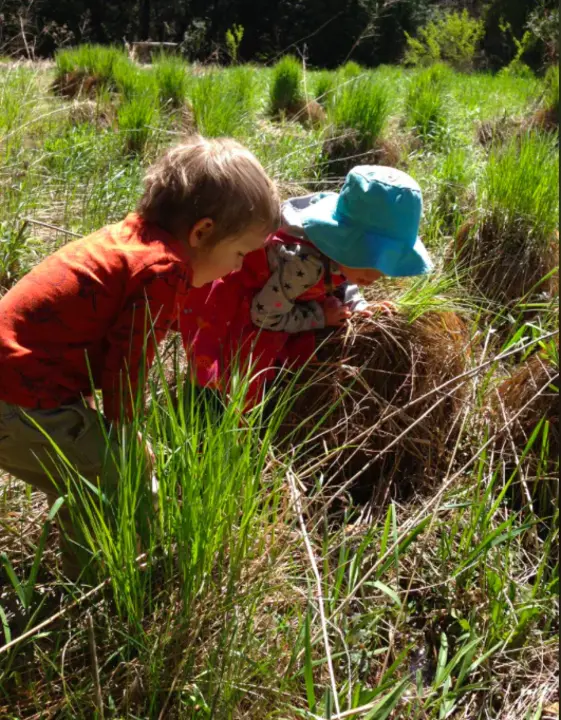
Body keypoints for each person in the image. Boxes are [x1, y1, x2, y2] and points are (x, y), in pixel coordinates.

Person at [0, 136, 280, 577]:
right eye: (241, 252)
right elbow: (126, 365)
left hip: (20, 389)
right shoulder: (163, 270)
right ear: (202, 232)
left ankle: (103, 567)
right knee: (122, 476)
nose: (239, 268)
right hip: (19, 400)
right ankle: (122, 579)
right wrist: (126, 437)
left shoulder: (132, 239)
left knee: (102, 469)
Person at [182, 165, 433, 407]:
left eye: (386, 264)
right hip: (247, 301)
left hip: (282, 293)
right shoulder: (306, 266)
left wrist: (359, 305)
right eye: (371, 261)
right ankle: (215, 411)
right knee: (239, 370)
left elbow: (344, 278)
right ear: (345, 245)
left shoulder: (339, 254)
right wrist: (319, 317)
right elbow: (263, 315)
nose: (378, 274)